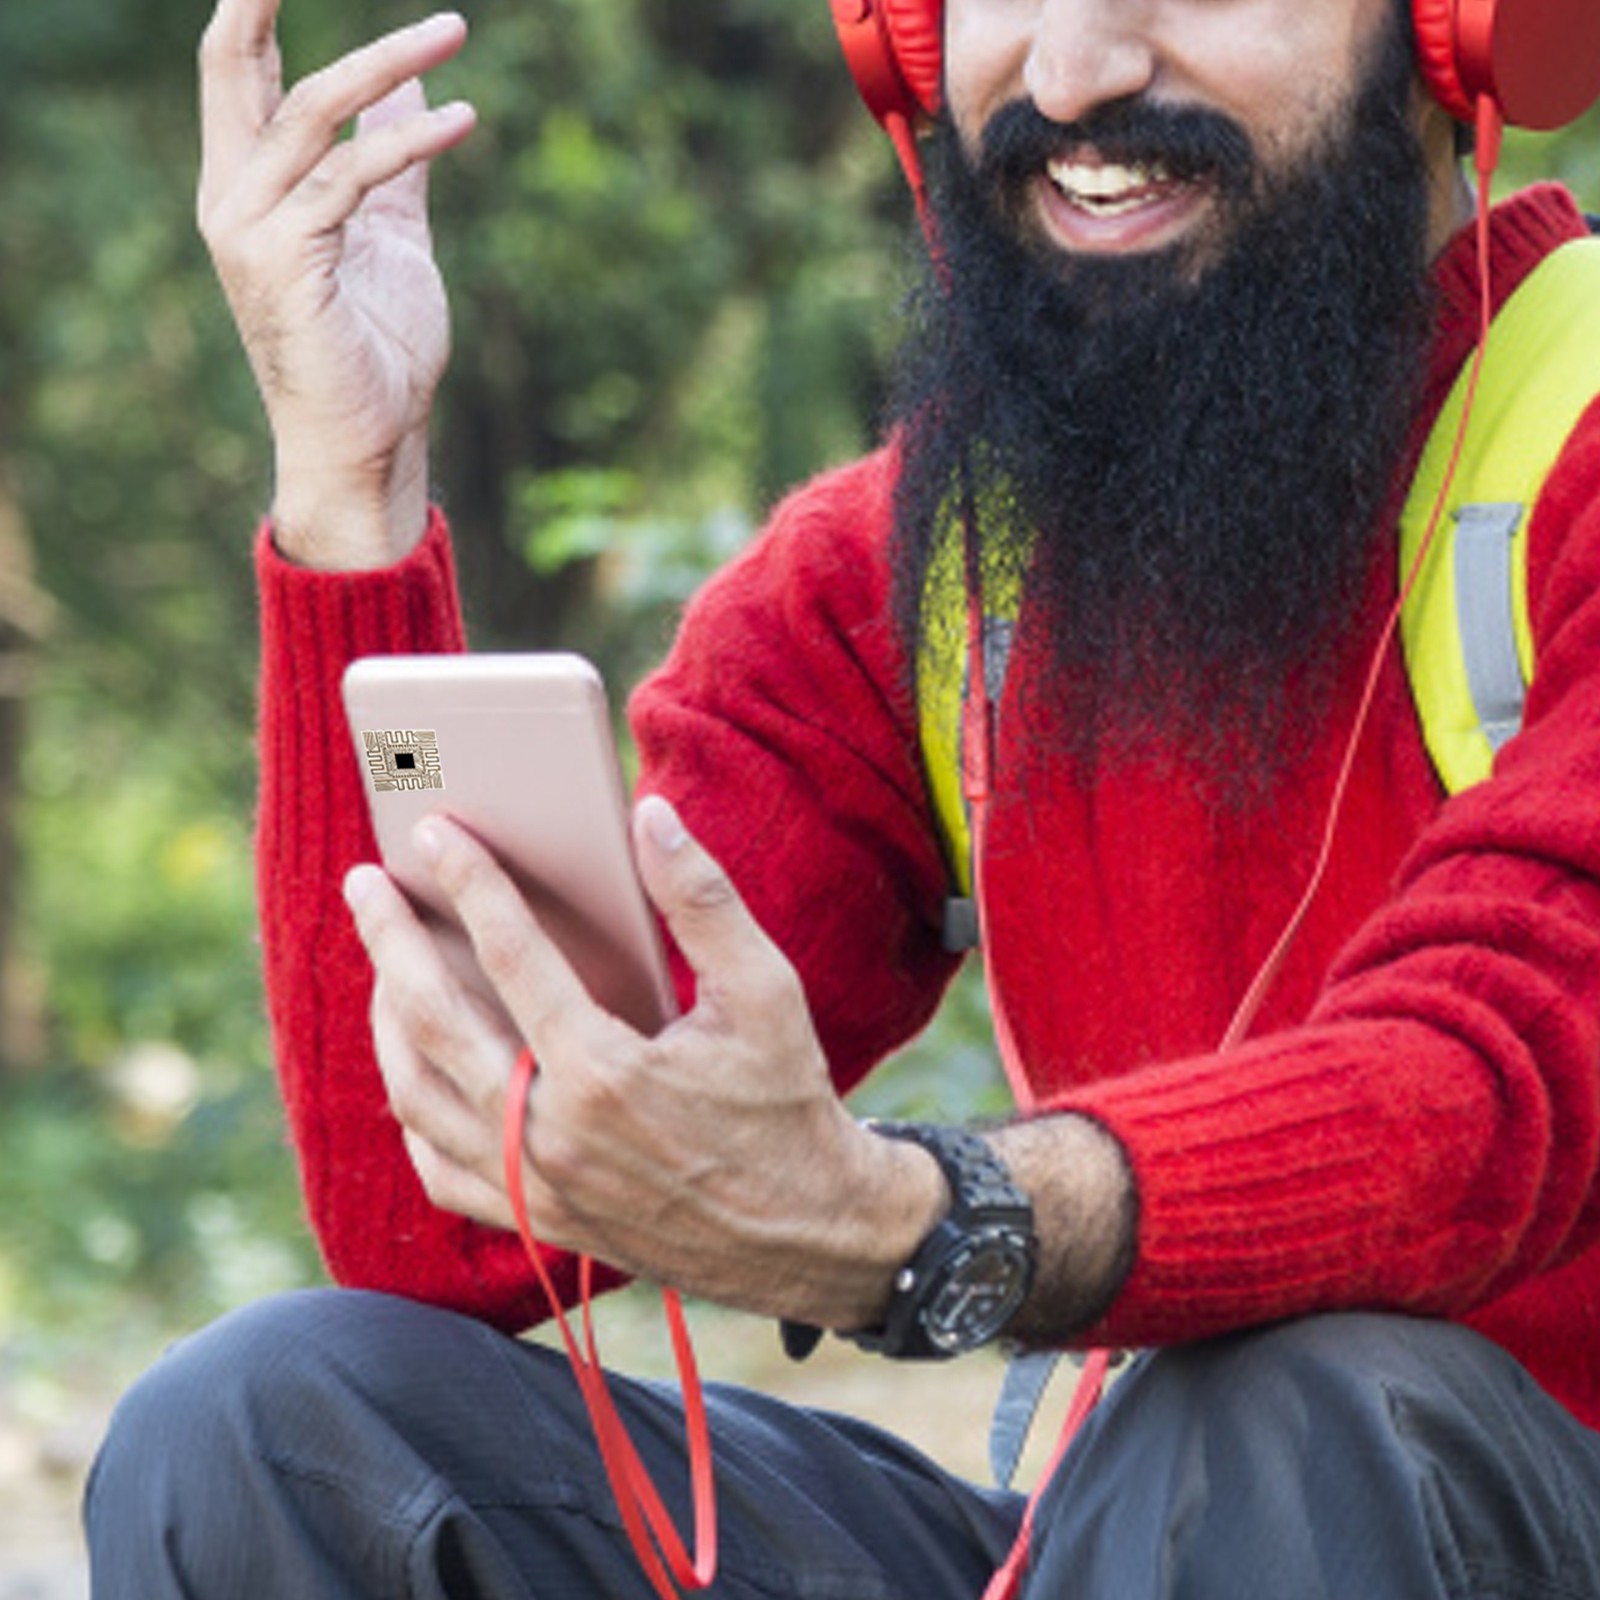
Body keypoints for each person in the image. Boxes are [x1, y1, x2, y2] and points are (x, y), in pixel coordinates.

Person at [85, 0, 1600, 1593]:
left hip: (1424, 1500)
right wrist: (352, 495)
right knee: (263, 1429)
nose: (1071, 72)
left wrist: (924, 1223)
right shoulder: (921, 572)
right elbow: (448, 1224)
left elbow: (1494, 1082)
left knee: (1288, 1404)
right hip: (1167, 1533)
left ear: (1458, 30)